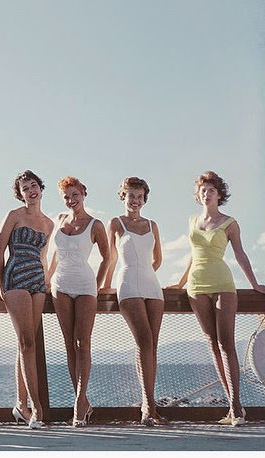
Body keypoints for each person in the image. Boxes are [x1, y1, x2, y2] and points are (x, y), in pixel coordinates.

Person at [170, 171, 265, 426]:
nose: (206, 193)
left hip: (223, 283)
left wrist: (254, 283)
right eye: (202, 190)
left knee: (227, 344)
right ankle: (232, 407)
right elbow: (192, 255)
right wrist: (180, 283)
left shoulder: (229, 222)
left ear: (219, 194)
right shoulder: (192, 221)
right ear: (198, 195)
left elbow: (241, 255)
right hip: (196, 286)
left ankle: (236, 406)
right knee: (212, 344)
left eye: (211, 190)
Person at [48, 176, 110, 427]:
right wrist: (46, 280)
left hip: (85, 286)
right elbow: (52, 257)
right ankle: (81, 401)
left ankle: (79, 403)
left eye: (75, 194)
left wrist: (96, 285)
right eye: (66, 196)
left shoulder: (95, 225)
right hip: (60, 286)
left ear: (84, 194)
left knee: (82, 342)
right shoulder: (59, 221)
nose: (71, 200)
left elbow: (107, 257)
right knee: (68, 344)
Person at [104, 177, 165, 426]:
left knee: (153, 345)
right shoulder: (116, 223)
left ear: (144, 199)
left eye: (139, 196)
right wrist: (105, 285)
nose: (135, 200)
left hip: (152, 285)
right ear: (123, 196)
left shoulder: (152, 225)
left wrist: (148, 275)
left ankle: (149, 405)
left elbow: (157, 259)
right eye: (131, 195)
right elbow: (109, 258)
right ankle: (148, 406)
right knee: (143, 340)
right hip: (128, 282)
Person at [0, 170, 54, 429]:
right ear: (20, 195)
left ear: (40, 188)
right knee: (26, 342)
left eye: (33, 185)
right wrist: (1, 285)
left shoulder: (49, 224)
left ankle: (21, 405)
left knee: (28, 344)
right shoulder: (14, 216)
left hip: (37, 282)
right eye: (24, 188)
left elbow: (43, 256)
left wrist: (47, 281)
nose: (30, 191)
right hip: (16, 278)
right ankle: (37, 407)